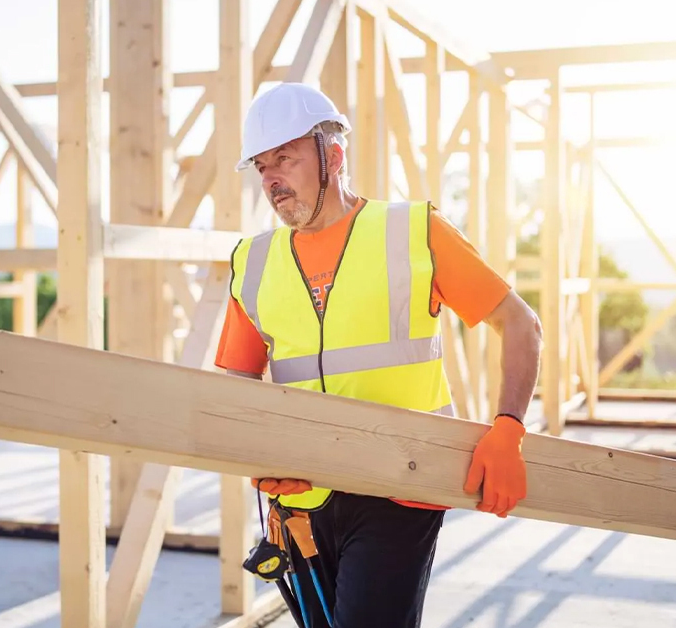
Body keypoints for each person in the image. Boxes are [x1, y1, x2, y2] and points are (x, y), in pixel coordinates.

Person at [215, 82, 542, 628]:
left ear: (333, 157)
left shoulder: (414, 232)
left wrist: (507, 427)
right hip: (302, 501)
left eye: (286, 159)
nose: (271, 178)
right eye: (262, 166)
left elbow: (519, 323)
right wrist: (260, 461)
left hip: (401, 487)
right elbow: (234, 386)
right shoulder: (252, 261)